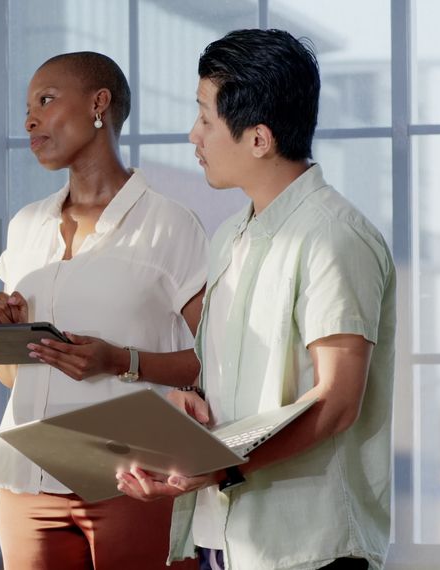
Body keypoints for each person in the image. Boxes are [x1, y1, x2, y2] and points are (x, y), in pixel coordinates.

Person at [117, 29, 395, 570]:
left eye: (205, 118)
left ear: (259, 139)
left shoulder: (334, 237)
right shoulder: (229, 237)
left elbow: (338, 401)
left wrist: (222, 467)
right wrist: (191, 403)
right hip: (224, 537)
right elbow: (228, 374)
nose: (193, 135)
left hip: (308, 545)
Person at [0, 51, 206, 569]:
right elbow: (14, 379)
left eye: (46, 100)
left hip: (133, 475)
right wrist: (3, 337)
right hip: (27, 477)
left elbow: (213, 363)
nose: (29, 120)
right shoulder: (26, 226)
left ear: (99, 103)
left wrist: (120, 361)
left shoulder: (170, 226)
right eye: (27, 108)